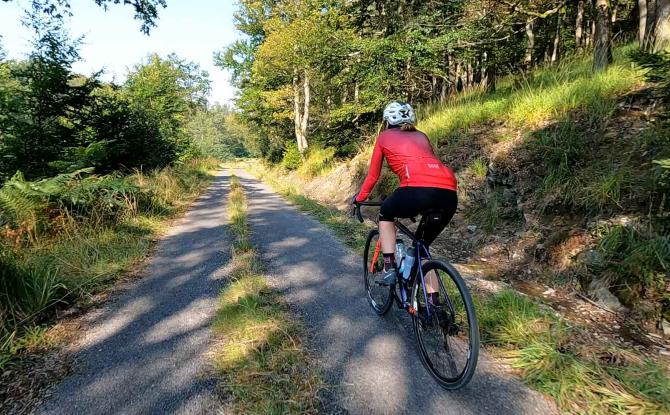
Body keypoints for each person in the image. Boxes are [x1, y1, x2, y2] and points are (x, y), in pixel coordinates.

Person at [352, 101, 458, 305]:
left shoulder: (384, 137)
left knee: (385, 213)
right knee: (422, 249)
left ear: (387, 121)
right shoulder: (422, 136)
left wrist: (360, 198)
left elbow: (373, 176)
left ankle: (389, 266)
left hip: (416, 189)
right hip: (448, 193)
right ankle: (434, 306)